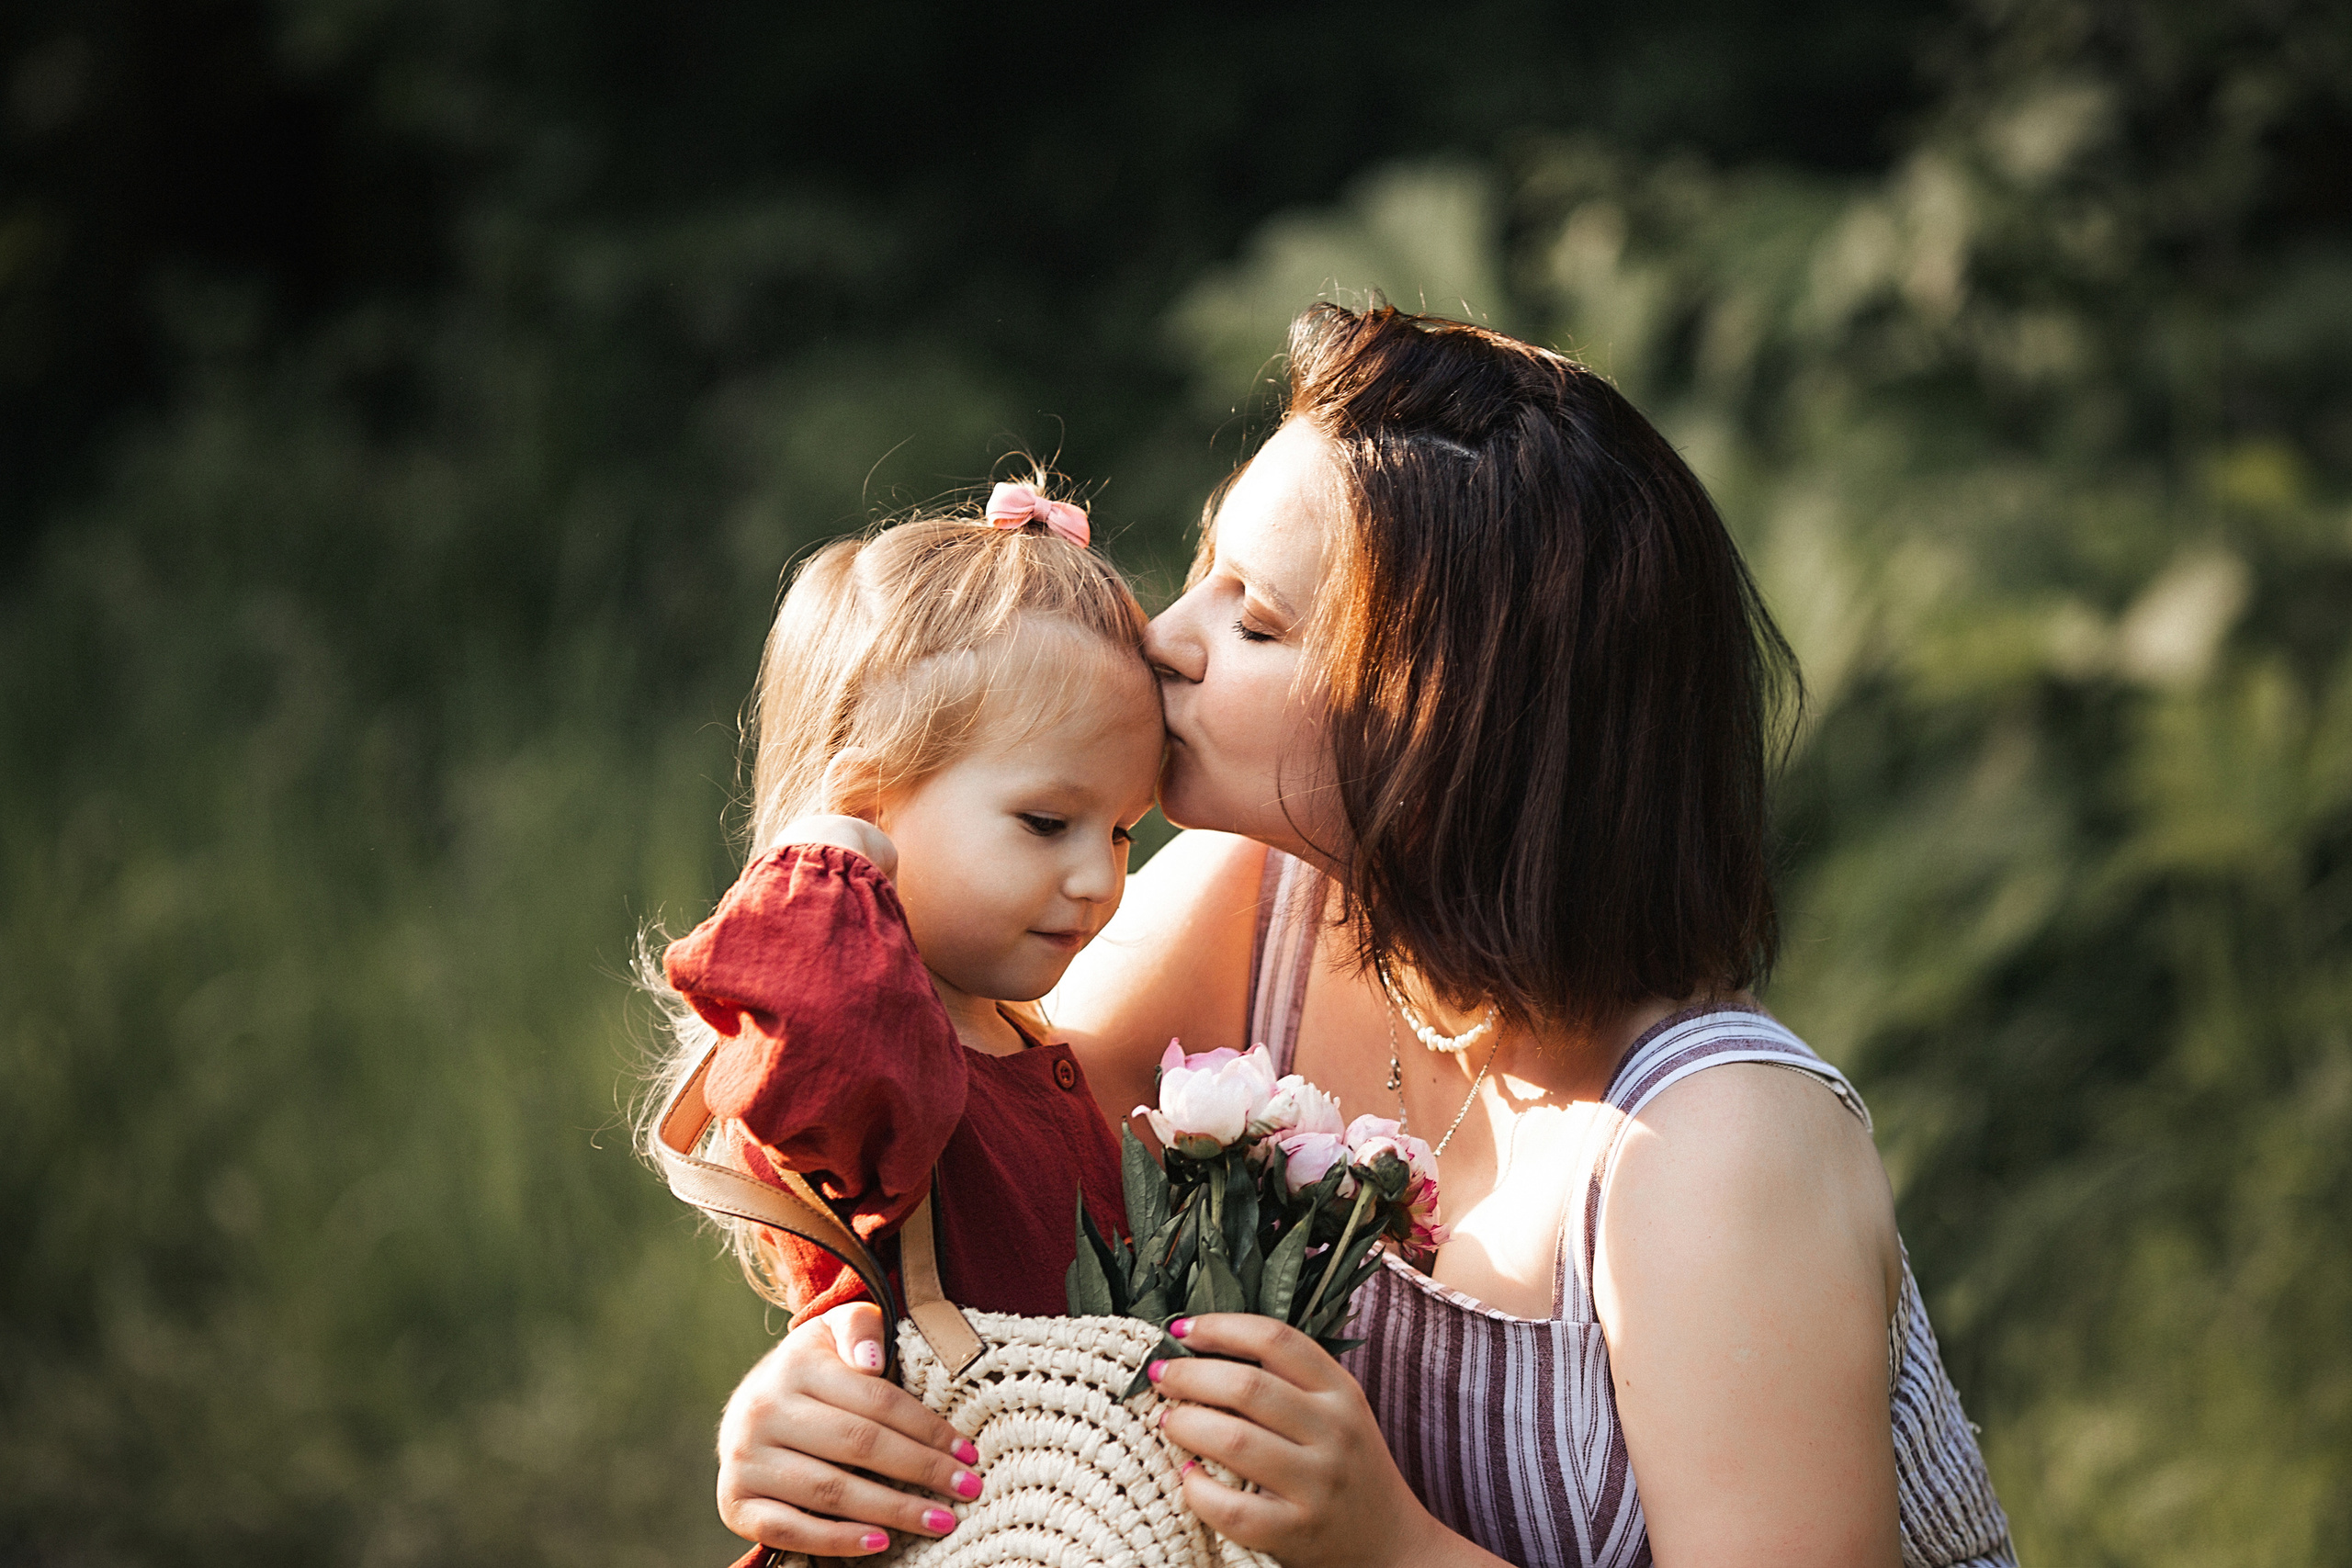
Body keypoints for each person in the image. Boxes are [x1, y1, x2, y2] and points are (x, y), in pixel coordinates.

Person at [704, 305, 2016, 1568]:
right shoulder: (1256, 903)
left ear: (1458, 727)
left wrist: (1388, 1548)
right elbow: (969, 1199)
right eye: (1205, 575)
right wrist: (825, 1380)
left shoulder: (1713, 1150)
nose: (1164, 637)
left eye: (1256, 620)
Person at [649, 484, 1164, 1554]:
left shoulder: (1012, 1036)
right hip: (936, 1523)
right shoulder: (863, 1039)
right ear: (871, 807)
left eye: (1119, 831)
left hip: (1064, 1510)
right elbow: (822, 1028)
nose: (1096, 879)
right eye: (1046, 821)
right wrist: (829, 862)